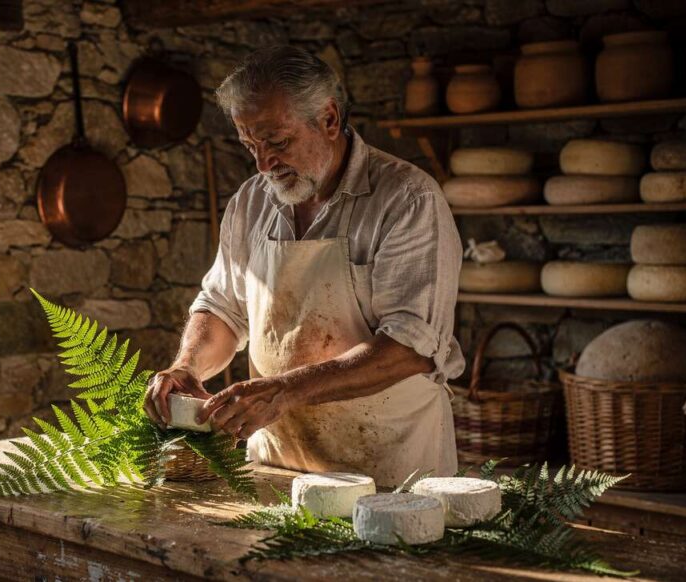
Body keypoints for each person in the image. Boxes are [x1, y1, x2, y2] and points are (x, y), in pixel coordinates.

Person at [143, 46, 464, 486]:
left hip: (391, 464)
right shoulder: (250, 203)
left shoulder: (407, 200)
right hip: (280, 462)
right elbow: (222, 307)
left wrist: (285, 390)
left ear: (329, 119)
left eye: (277, 141)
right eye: (250, 145)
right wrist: (188, 366)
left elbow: (409, 348)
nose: (263, 163)